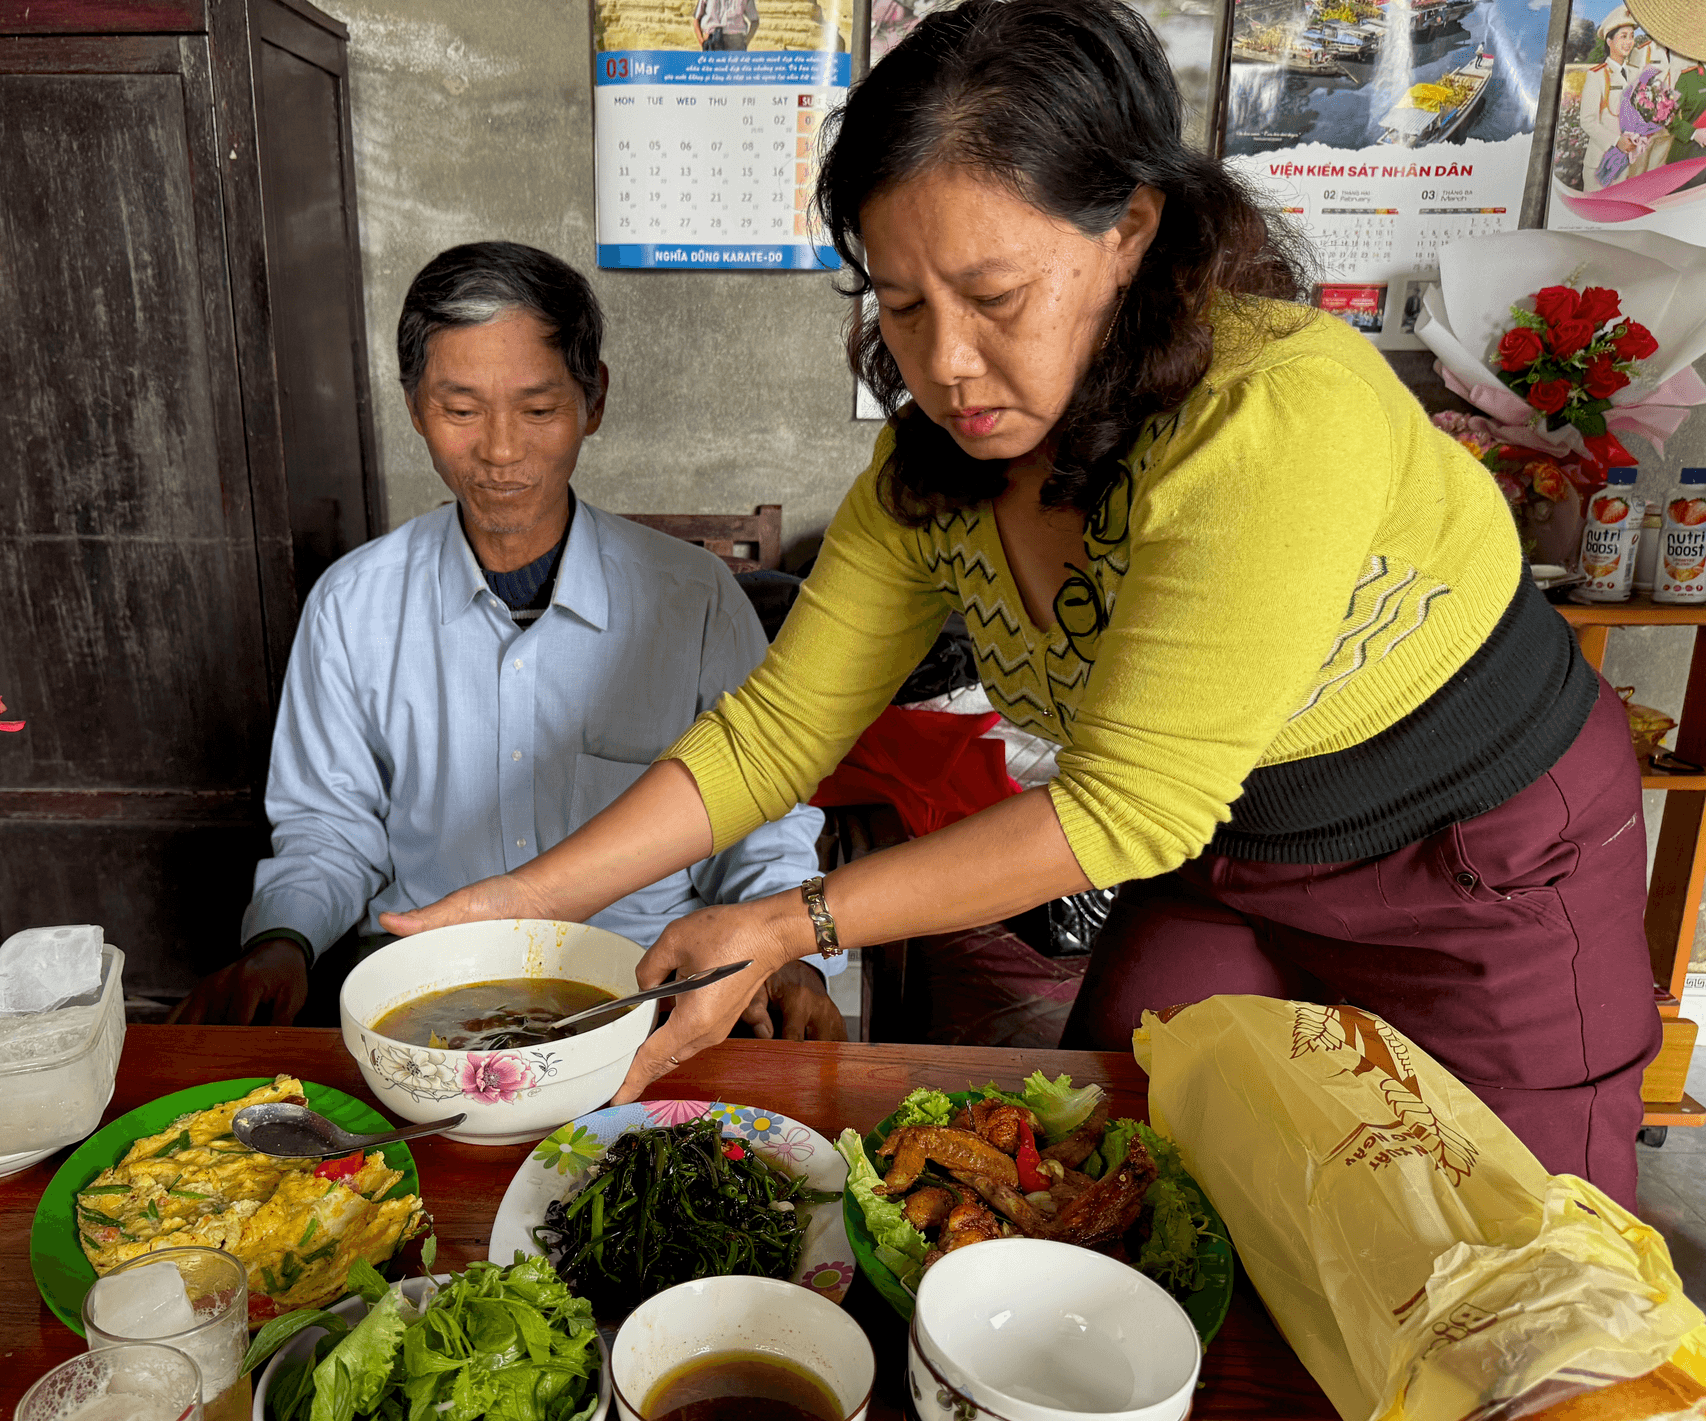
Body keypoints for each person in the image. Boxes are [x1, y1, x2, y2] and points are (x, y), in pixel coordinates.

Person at [383, 0, 1660, 1206]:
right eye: (899, 304)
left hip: (1473, 859)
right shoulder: (927, 472)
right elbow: (778, 732)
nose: (944, 365)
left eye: (993, 299)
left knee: (1525, 1269)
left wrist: (786, 922)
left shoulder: (1276, 410)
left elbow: (1125, 802)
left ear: (1128, 231)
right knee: (1119, 1176)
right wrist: (525, 903)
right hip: (1221, 856)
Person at [170, 241, 844, 1040]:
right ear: (416, 405)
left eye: (538, 409)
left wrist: (793, 957)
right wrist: (281, 942)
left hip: (652, 999)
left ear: (593, 400)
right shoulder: (353, 605)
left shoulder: (693, 603)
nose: (499, 449)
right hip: (436, 1007)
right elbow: (329, 826)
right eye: (460, 410)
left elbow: (758, 822)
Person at [1578, 8, 1644, 185]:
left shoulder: (1635, 73)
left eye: (1631, 36)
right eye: (1623, 36)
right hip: (1601, 165)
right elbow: (1587, 121)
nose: (1629, 42)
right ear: (1609, 41)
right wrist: (1616, 141)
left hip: (1627, 163)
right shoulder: (1597, 76)